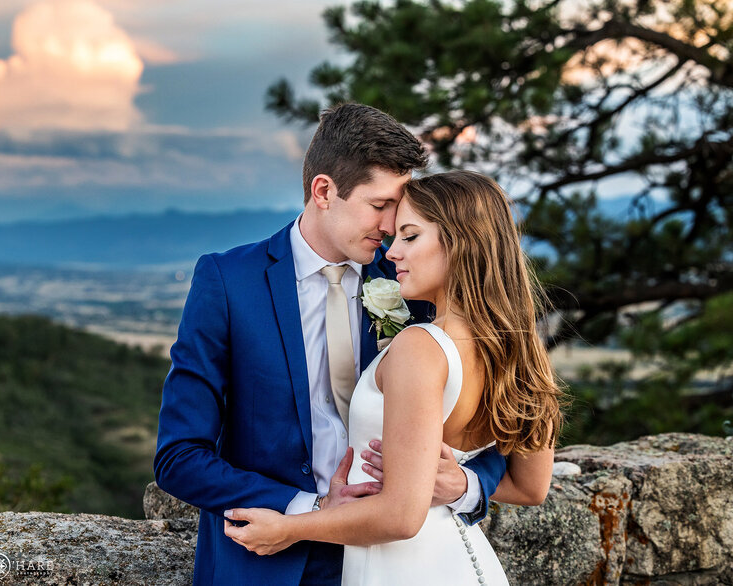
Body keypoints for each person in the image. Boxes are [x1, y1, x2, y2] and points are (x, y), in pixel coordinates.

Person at [153, 105, 508, 586]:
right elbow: (179, 456)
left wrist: (466, 485)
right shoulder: (227, 282)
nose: (391, 225)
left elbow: (499, 422)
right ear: (324, 191)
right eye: (379, 204)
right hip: (265, 560)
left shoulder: (411, 279)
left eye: (398, 208)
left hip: (389, 561)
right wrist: (306, 511)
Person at [223, 170, 564, 585]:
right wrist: (463, 485)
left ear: (460, 243)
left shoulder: (421, 346)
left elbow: (401, 516)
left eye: (410, 236)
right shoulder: (520, 347)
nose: (393, 251)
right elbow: (531, 487)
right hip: (462, 561)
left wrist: (288, 529)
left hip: (399, 566)